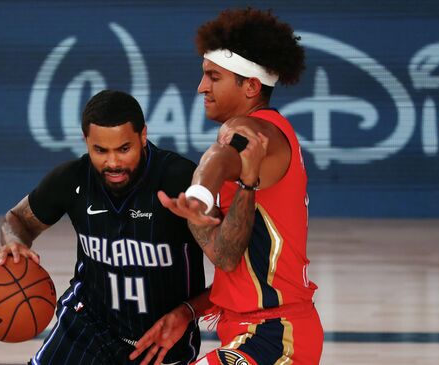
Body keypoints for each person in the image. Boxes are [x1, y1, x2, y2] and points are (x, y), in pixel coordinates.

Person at [130, 8, 323, 365]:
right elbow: (232, 259)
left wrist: (199, 197)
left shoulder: (254, 132)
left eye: (213, 76)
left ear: (250, 85)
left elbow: (218, 158)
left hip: (274, 335)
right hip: (259, 332)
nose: (201, 87)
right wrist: (188, 311)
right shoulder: (265, 136)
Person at [0, 90, 206, 365]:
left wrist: (188, 312)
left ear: (143, 136)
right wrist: (14, 243)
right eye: (100, 150)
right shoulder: (72, 179)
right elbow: (17, 219)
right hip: (88, 321)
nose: (113, 163)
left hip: (163, 338)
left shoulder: (178, 180)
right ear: (86, 141)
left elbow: (237, 269)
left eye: (124, 149)